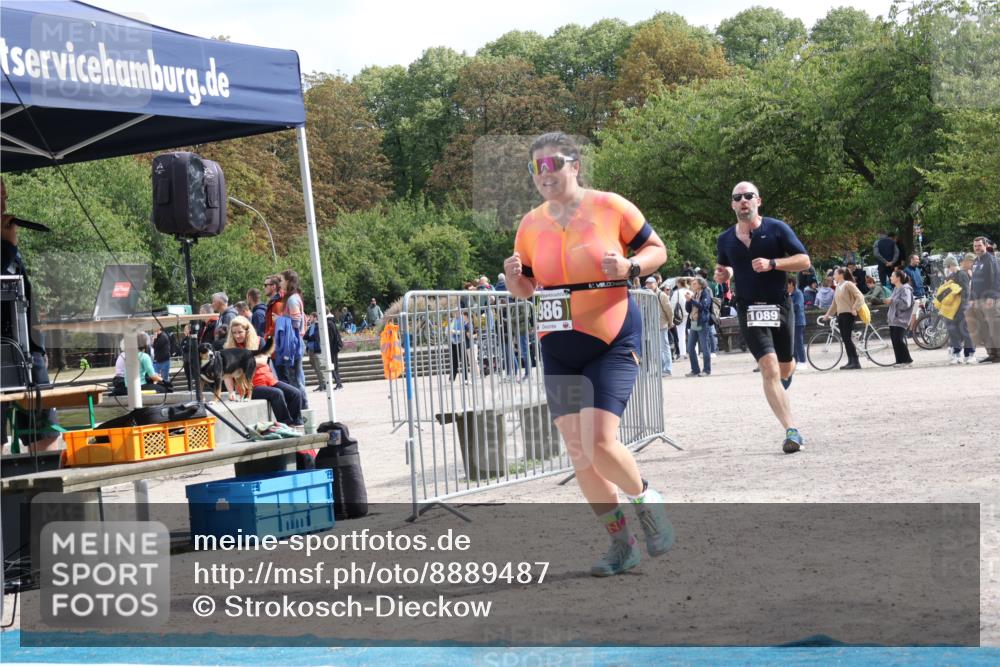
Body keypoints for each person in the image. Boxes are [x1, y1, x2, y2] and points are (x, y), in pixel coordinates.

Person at [503, 131, 674, 577]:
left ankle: (645, 498)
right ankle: (622, 544)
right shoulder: (530, 223)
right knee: (579, 453)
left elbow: (658, 249)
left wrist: (631, 266)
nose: (545, 174)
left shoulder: (610, 206)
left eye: (553, 163)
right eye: (535, 167)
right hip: (558, 345)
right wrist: (513, 279)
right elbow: (526, 290)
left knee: (600, 443)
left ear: (575, 165)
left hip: (610, 337)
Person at [715, 181, 811, 454]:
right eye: (738, 197)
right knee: (768, 368)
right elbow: (726, 268)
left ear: (759, 200)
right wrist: (724, 275)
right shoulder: (725, 239)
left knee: (785, 367)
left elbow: (804, 260)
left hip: (779, 305)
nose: (743, 200)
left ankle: (783, 383)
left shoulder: (777, 229)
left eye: (748, 196)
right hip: (749, 308)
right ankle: (791, 431)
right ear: (732, 204)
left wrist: (773, 264)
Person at [1, 178, 61, 450]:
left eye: (5, 196)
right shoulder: (6, 245)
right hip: (4, 350)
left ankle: (38, 487)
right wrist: (8, 247)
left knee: (46, 431)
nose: (4, 204)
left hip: (28, 349)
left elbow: (24, 298)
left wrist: (39, 347)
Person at [224, 316, 303, 425]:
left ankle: (297, 423)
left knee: (295, 393)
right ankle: (286, 423)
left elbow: (263, 361)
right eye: (234, 333)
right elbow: (227, 374)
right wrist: (231, 392)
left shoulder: (259, 340)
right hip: (248, 387)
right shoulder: (229, 348)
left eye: (240, 332)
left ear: (247, 330)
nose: (237, 335)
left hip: (268, 380)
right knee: (277, 394)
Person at [275, 269, 308, 405]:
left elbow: (296, 321)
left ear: (288, 281)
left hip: (292, 343)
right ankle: (302, 407)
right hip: (295, 342)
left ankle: (302, 408)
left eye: (281, 280)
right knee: (297, 377)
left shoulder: (292, 300)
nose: (280, 283)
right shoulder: (294, 297)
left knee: (295, 378)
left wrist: (279, 319)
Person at [822, 267, 865, 370]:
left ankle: (855, 361)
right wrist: (828, 314)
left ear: (841, 275)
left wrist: (854, 307)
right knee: (845, 339)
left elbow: (860, 296)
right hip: (841, 315)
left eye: (835, 274)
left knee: (847, 338)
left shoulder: (848, 284)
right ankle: (851, 360)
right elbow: (834, 303)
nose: (833, 276)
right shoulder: (838, 287)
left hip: (848, 314)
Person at [967, 237, 1000, 363]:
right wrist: (971, 298)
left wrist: (992, 296)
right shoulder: (976, 262)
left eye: (979, 246)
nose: (977, 248)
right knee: (983, 329)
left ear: (985, 245)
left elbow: (997, 278)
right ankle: (991, 354)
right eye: (975, 246)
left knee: (995, 327)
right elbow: (974, 282)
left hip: (990, 300)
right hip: (978, 301)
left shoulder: (992, 260)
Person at [942, 255, 975, 364]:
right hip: (952, 308)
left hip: (962, 308)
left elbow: (966, 292)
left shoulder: (962, 274)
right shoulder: (951, 276)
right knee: (954, 332)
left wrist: (963, 307)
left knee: (965, 331)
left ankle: (970, 355)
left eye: (947, 266)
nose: (946, 268)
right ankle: (957, 355)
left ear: (950, 265)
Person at [685, 277, 713, 377]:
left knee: (705, 347)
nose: (692, 285)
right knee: (690, 347)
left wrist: (691, 300)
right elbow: (688, 310)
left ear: (701, 284)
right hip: (693, 322)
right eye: (692, 283)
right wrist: (688, 301)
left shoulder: (705, 293)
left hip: (702, 323)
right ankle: (695, 370)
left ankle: (706, 370)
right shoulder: (694, 294)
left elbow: (703, 306)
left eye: (695, 283)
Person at [886, 269, 915, 365]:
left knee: (898, 340)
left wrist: (893, 301)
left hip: (901, 319)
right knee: (895, 341)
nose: (890, 277)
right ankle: (899, 361)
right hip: (893, 318)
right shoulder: (895, 288)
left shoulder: (905, 289)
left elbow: (906, 304)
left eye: (892, 276)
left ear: (898, 278)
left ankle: (907, 360)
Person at [648, 276, 672, 376]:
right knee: (657, 348)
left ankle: (667, 369)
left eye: (650, 283)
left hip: (662, 324)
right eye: (647, 283)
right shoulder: (648, 295)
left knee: (664, 347)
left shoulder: (661, 295)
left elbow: (669, 310)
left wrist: (670, 322)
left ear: (656, 284)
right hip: (653, 325)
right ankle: (662, 369)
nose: (648, 285)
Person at [303, 313, 326, 391]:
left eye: (311, 317)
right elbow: (305, 336)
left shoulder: (318, 326)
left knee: (318, 367)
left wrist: (310, 336)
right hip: (310, 349)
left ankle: (324, 384)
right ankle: (321, 384)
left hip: (315, 349)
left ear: (315, 318)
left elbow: (314, 336)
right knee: (316, 368)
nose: (309, 318)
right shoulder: (311, 326)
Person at [787, 278, 806, 364]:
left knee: (799, 342)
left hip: (798, 321)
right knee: (793, 344)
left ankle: (802, 361)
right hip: (792, 321)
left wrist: (786, 308)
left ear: (791, 284)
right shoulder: (789, 294)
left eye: (786, 284)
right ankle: (796, 361)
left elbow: (797, 306)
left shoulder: (798, 293)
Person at [326, 311, 345, 389]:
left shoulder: (329, 323)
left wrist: (327, 347)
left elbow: (331, 338)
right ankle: (338, 383)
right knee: (334, 366)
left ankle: (339, 383)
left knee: (333, 366)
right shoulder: (331, 321)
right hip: (334, 348)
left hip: (332, 349)